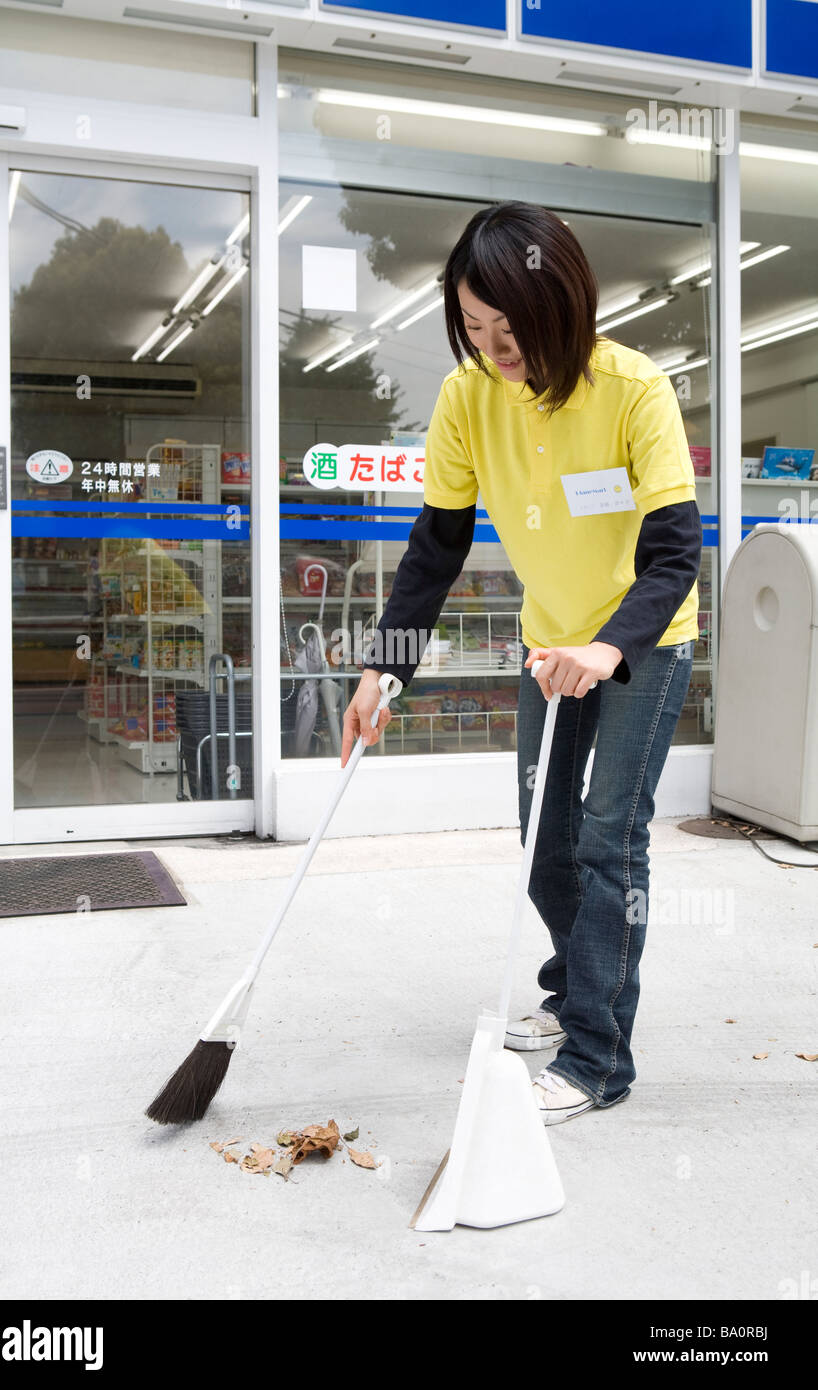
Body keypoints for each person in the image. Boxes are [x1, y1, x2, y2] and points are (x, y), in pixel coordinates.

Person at [342, 201, 701, 1123]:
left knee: (607, 839)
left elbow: (672, 556)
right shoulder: (468, 400)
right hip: (550, 642)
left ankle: (597, 1058)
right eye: (472, 327)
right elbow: (434, 549)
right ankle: (571, 990)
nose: (494, 348)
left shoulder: (634, 389)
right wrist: (384, 670)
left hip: (643, 644)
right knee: (543, 844)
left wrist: (609, 646)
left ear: (563, 307)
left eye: (510, 327)